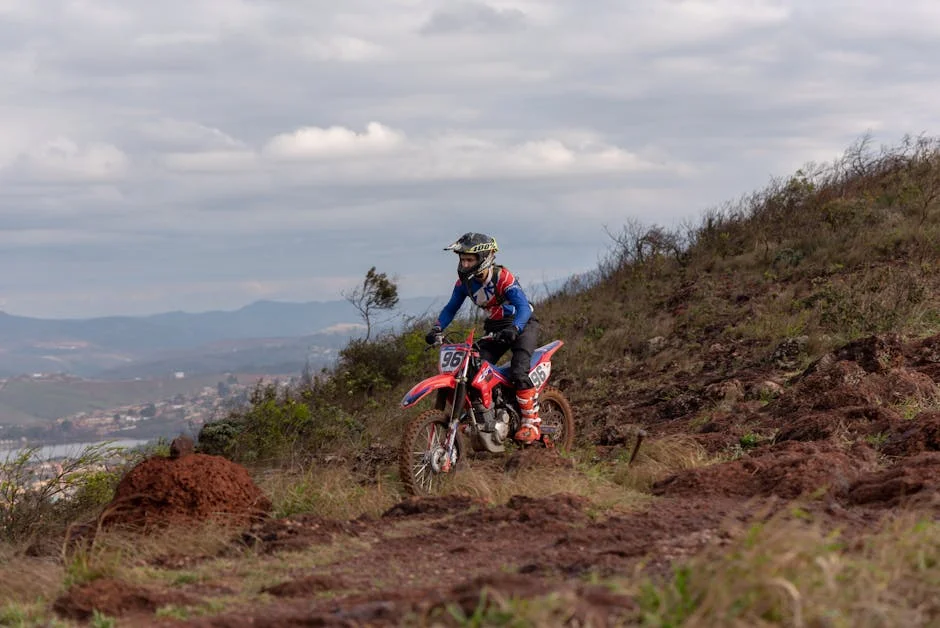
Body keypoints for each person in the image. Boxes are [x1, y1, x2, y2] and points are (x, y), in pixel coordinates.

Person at [425, 232, 541, 444]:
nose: (465, 264)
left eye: (470, 259)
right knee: (474, 369)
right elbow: (451, 308)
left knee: (518, 370)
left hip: (522, 324)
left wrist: (515, 328)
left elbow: (523, 307)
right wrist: (436, 328)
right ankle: (485, 415)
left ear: (484, 258)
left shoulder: (502, 277)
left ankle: (530, 422)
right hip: (495, 328)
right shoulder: (465, 284)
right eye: (462, 259)